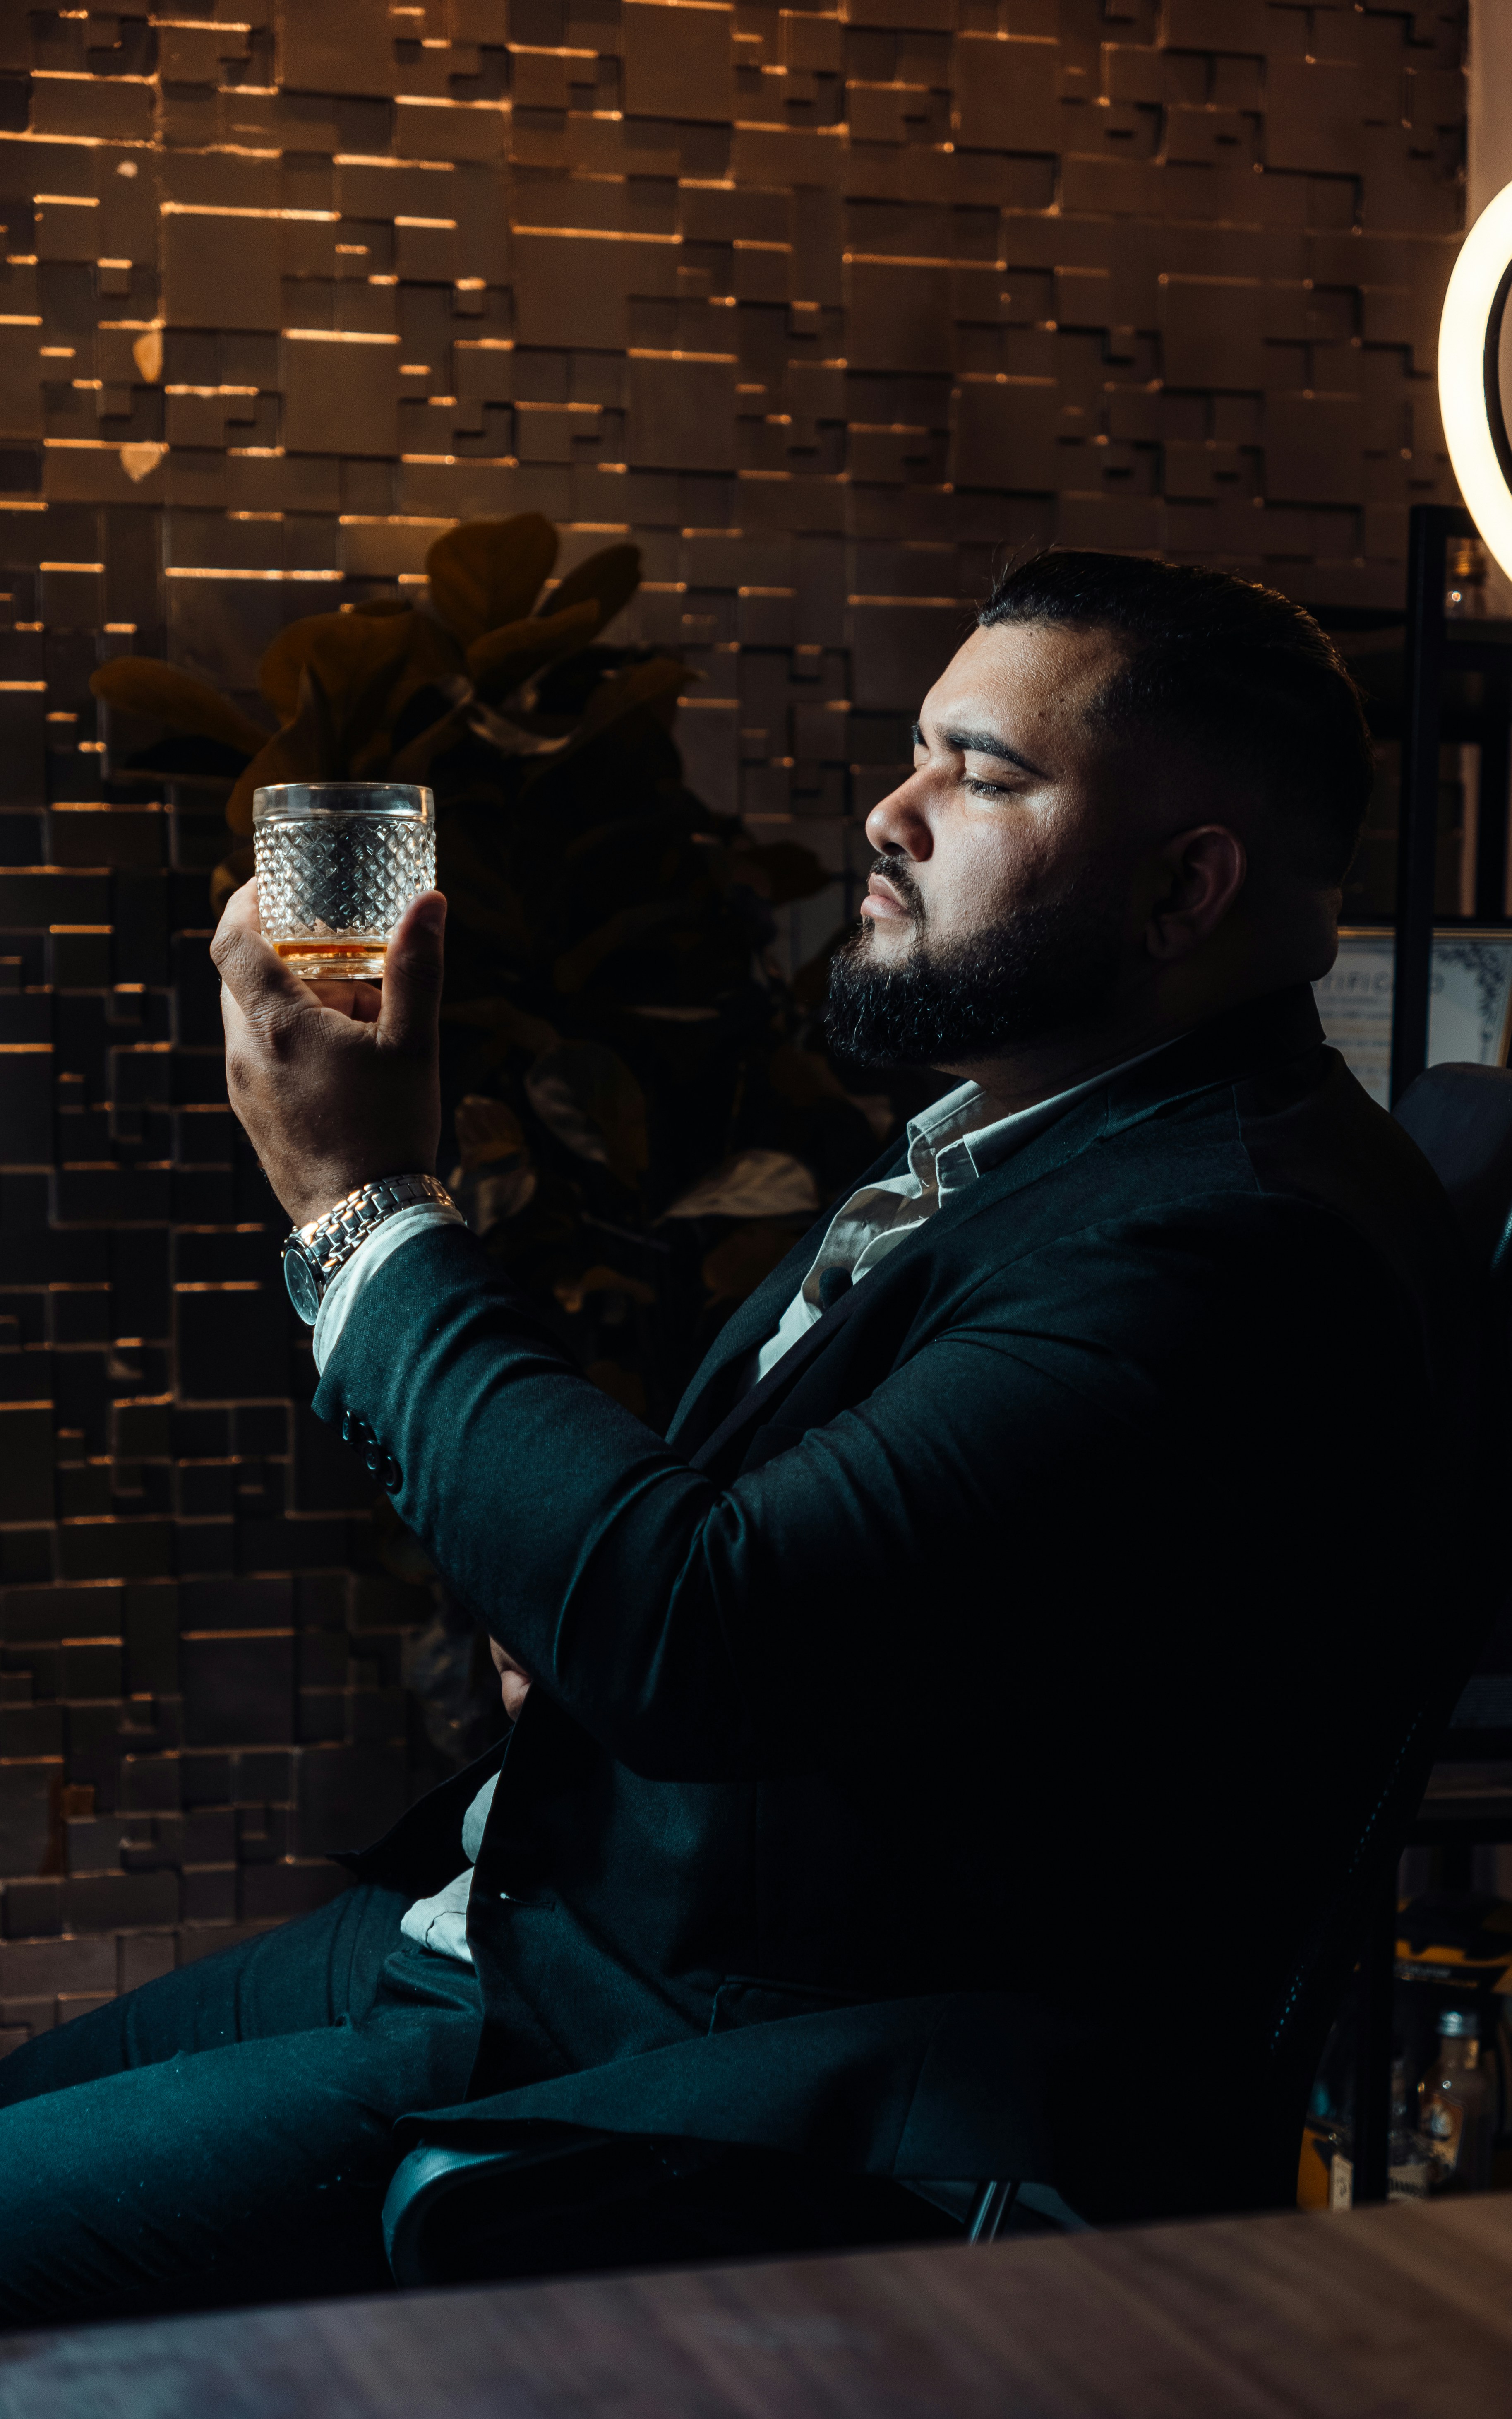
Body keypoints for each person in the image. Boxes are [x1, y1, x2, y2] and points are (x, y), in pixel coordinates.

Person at [0, 551, 1486, 2322]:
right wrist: (584, 1627)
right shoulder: (1029, 1130)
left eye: (981, 777)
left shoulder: (1221, 1245)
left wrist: (362, 1207)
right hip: (534, 1923)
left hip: (694, 2060)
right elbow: (808, 1562)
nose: (889, 811)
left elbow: (699, 1626)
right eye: (918, 749)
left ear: (1183, 888)